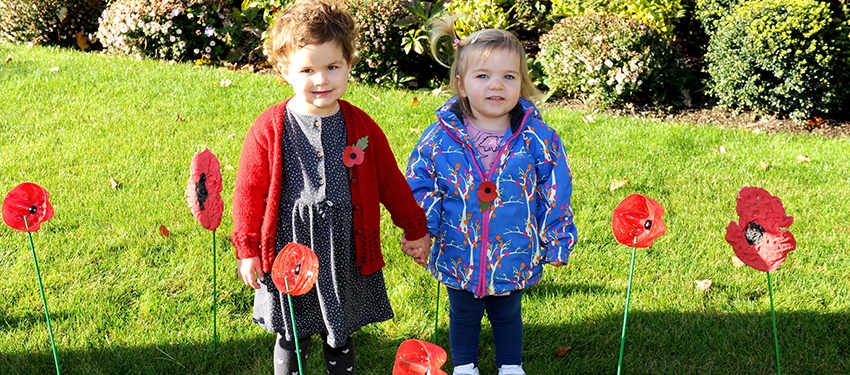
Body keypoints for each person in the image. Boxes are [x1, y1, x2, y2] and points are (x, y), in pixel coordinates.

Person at [231, 1, 430, 373]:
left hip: (343, 245)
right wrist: (248, 249)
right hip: (288, 244)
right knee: (291, 330)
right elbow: (248, 192)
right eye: (308, 70)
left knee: (339, 329)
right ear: (284, 70)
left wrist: (414, 228)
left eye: (332, 67)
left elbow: (390, 181)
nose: (321, 80)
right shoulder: (269, 128)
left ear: (349, 65)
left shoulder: (362, 127)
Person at [403, 19, 577, 375]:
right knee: (462, 313)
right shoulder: (440, 137)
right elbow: (421, 184)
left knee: (508, 312)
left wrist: (557, 238)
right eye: (483, 76)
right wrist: (423, 229)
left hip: (512, 249)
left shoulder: (537, 138)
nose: (496, 85)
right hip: (458, 249)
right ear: (461, 84)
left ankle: (510, 366)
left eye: (508, 77)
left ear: (521, 84)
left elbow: (555, 188)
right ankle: (465, 366)